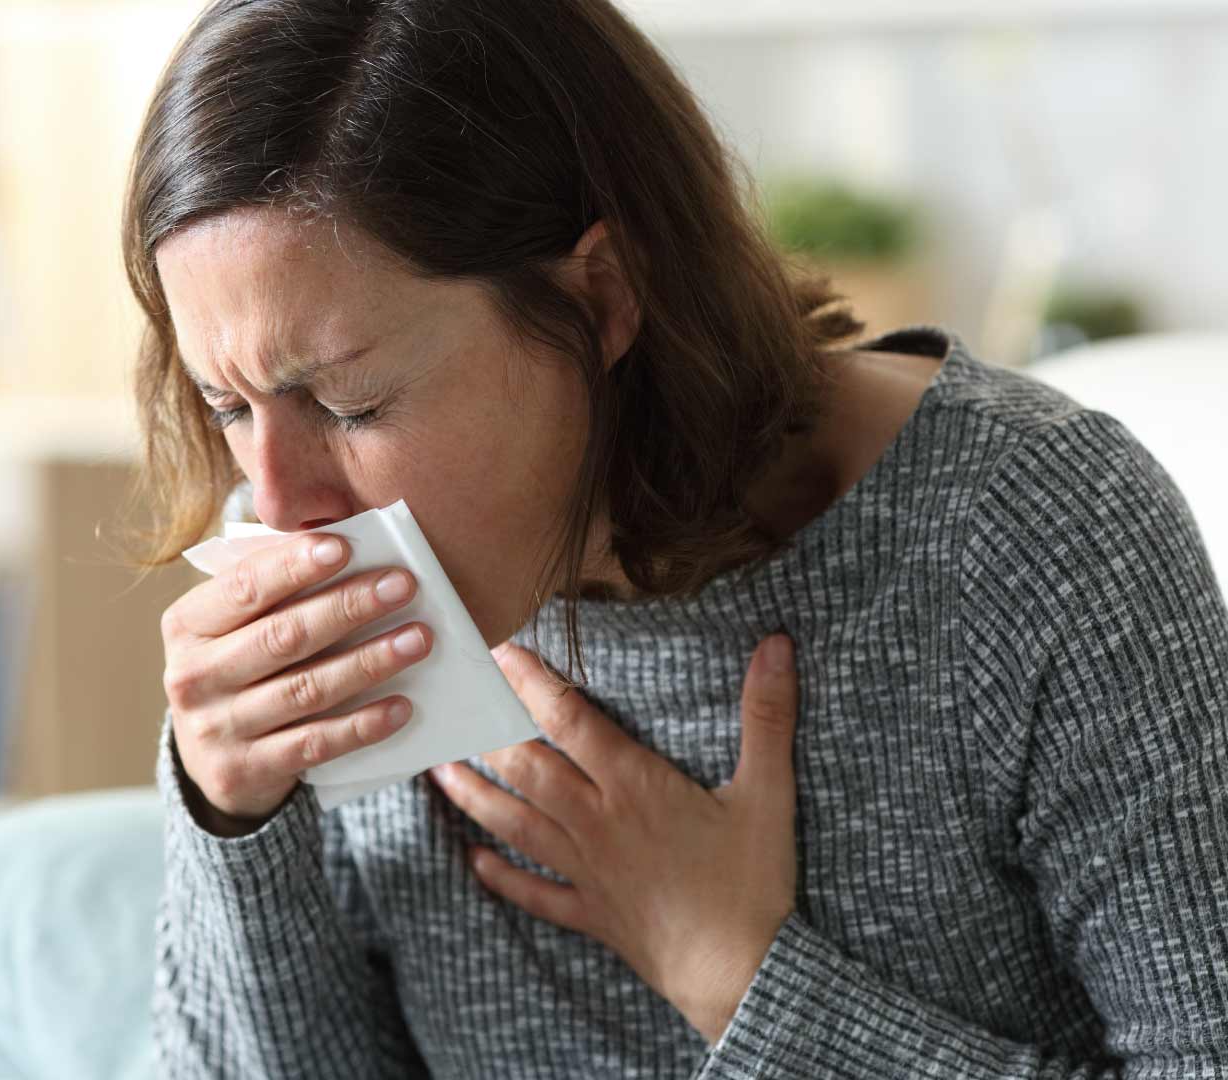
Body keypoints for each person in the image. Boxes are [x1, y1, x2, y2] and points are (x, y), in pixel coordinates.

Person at [119, 0, 1228, 1076]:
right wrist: (232, 817)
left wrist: (739, 979)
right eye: (227, 407)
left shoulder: (1032, 533)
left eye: (351, 404)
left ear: (603, 295)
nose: (276, 505)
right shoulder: (309, 565)